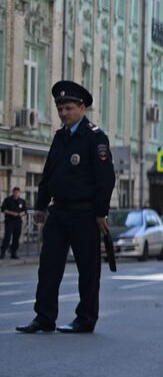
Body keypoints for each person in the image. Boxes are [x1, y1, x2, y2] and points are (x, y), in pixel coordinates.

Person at [17, 81, 116, 334]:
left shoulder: (95, 137)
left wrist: (100, 212)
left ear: (82, 108)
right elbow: (49, 173)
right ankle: (44, 317)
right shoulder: (60, 137)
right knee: (48, 266)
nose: (63, 113)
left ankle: (85, 318)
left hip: (85, 214)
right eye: (60, 109)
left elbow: (106, 179)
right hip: (59, 212)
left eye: (68, 108)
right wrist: (40, 205)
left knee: (87, 270)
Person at [2, 186, 26, 258]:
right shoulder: (8, 200)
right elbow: (3, 209)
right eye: (15, 192)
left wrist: (20, 214)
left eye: (18, 193)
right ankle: (2, 252)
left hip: (18, 221)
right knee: (7, 237)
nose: (16, 194)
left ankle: (14, 253)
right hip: (9, 221)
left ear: (19, 193)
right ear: (13, 192)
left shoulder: (22, 201)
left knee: (16, 238)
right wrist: (12, 213)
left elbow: (25, 211)